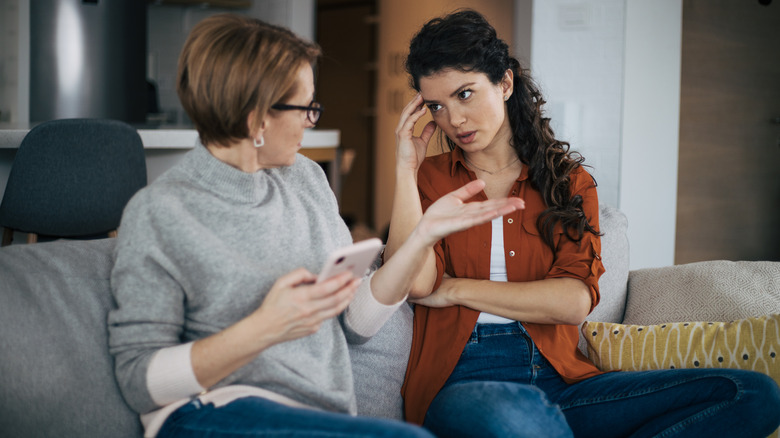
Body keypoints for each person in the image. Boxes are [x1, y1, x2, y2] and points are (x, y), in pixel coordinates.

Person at [107, 13, 525, 438]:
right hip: (209, 412)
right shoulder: (161, 211)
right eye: (305, 106)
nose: (312, 120)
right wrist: (265, 328)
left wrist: (422, 237)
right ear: (257, 118)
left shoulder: (306, 180)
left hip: (318, 414)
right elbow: (140, 380)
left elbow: (357, 326)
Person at [385, 9, 780, 438]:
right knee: (508, 420)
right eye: (437, 106)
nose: (453, 119)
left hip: (562, 381)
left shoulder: (568, 181)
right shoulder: (430, 177)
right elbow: (416, 284)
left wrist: (458, 289)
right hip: (465, 383)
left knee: (751, 391)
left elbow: (573, 301)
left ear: (504, 83)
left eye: (465, 94)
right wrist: (406, 172)